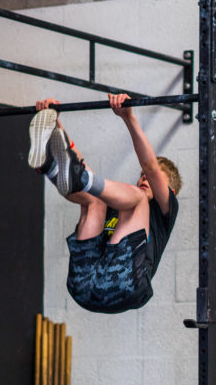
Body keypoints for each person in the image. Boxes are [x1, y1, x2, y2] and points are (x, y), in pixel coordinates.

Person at [27, 94, 181, 313]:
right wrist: (53, 122)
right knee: (94, 198)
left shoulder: (164, 211)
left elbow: (151, 167)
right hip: (82, 284)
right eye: (141, 177)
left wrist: (129, 118)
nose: (143, 179)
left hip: (125, 286)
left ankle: (73, 175)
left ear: (169, 191)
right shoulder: (119, 203)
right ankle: (50, 168)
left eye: (149, 179)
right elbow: (78, 167)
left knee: (131, 196)